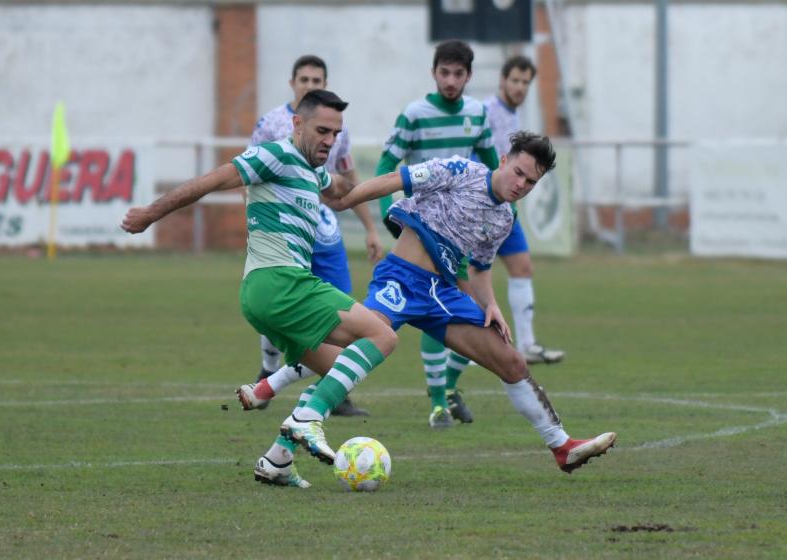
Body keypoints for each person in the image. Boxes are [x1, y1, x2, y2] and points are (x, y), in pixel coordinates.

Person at [244, 131, 616, 487]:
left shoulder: (505, 218)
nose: (521, 184)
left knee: (512, 361)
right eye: (518, 172)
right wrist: (347, 200)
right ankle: (272, 392)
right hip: (401, 280)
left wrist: (493, 306)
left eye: (531, 182)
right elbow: (395, 180)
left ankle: (562, 446)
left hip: (443, 294)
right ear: (503, 160)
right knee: (353, 349)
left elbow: (480, 269)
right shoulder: (461, 171)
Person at [122, 89, 399, 489]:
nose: (329, 140)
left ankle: (278, 461)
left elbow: (341, 191)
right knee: (382, 336)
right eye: (322, 130)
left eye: (335, 134)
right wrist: (150, 213)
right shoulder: (274, 155)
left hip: (267, 296)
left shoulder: (313, 171)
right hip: (280, 283)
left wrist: (398, 184)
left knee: (341, 371)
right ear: (297, 123)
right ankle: (306, 419)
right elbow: (210, 181)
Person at [374, 39, 501, 430]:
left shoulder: (478, 114)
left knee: (477, 316)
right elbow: (386, 162)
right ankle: (437, 403)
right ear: (434, 73)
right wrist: (387, 216)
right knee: (430, 310)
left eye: (458, 74)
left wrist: (503, 212)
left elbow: (494, 166)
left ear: (469, 76)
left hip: (460, 230)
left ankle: (447, 388)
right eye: (444, 73)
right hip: (421, 229)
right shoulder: (415, 114)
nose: (450, 80)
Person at [247, 54, 382, 418]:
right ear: (293, 83)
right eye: (304, 79)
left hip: (325, 229)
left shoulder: (337, 126)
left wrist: (371, 228)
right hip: (286, 232)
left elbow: (346, 180)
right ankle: (269, 367)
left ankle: (332, 390)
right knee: (285, 305)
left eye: (317, 80)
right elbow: (249, 175)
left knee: (338, 309)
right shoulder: (271, 124)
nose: (310, 85)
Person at [480, 55, 564, 368]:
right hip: (482, 205)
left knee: (522, 267)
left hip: (506, 208)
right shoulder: (485, 112)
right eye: (514, 80)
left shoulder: (514, 116)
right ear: (502, 80)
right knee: (470, 275)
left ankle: (527, 343)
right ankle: (469, 347)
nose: (519, 87)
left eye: (525, 82)